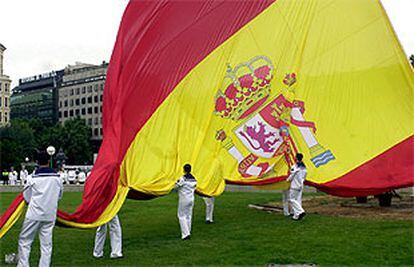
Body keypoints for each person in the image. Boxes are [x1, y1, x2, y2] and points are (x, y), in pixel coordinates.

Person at [17, 151, 63, 267]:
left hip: (34, 213)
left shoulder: (32, 177)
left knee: (25, 241)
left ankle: (23, 265)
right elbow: (59, 195)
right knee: (46, 244)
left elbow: (26, 195)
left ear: (37, 162)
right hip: (50, 214)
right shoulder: (57, 178)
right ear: (49, 161)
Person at [175, 164, 197, 240]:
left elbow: (176, 186)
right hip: (191, 198)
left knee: (181, 215)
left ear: (184, 169)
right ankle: (188, 231)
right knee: (188, 215)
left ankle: (185, 234)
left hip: (184, 199)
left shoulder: (183, 178)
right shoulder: (194, 179)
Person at [286, 153, 307, 221]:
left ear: (296, 158)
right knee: (298, 200)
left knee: (292, 199)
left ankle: (301, 211)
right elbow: (304, 176)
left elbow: (292, 175)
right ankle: (296, 216)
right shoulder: (304, 167)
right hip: (300, 185)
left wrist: (288, 180)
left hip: (294, 185)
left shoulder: (295, 167)